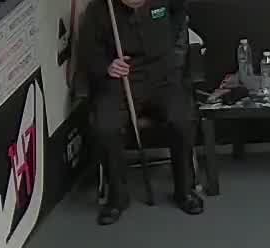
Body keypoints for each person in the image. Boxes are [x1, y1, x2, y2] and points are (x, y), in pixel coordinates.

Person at [80, 0, 203, 225]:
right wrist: (108, 66)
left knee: (183, 119)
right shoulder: (100, 9)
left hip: (163, 74)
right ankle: (117, 197)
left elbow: (179, 13)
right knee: (105, 126)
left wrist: (170, 44)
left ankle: (184, 190)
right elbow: (89, 51)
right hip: (123, 77)